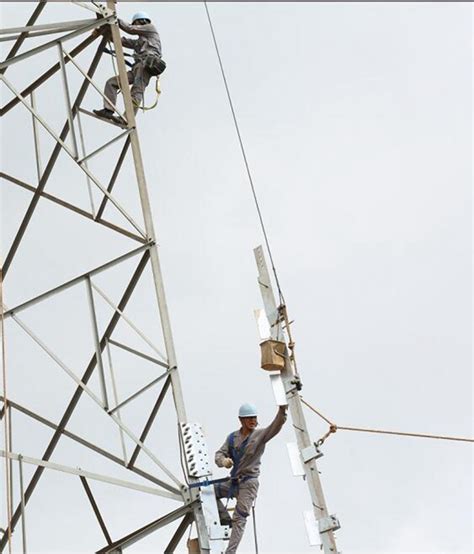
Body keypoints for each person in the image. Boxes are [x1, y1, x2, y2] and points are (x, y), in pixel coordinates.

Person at [214, 403, 287, 553]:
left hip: (248, 484)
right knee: (207, 492)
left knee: (240, 518)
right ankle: (225, 519)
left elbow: (276, 425)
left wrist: (282, 409)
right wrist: (224, 461)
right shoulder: (232, 438)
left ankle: (230, 552)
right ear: (241, 420)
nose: (253, 420)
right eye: (249, 418)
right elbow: (219, 455)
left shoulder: (259, 435)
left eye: (254, 417)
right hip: (233, 482)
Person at [93, 11, 164, 121]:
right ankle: (108, 110)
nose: (135, 26)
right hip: (136, 68)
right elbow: (121, 41)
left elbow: (130, 29)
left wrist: (112, 18)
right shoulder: (139, 42)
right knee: (112, 82)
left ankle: (127, 118)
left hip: (145, 66)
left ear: (142, 21)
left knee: (136, 91)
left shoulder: (150, 28)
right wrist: (104, 31)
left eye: (136, 23)